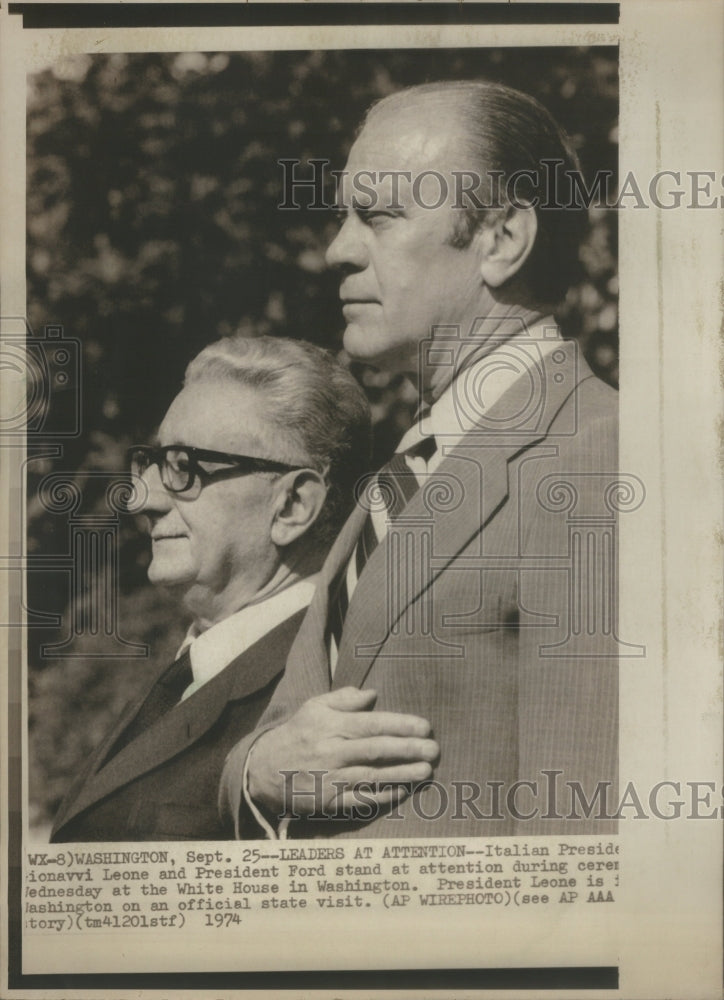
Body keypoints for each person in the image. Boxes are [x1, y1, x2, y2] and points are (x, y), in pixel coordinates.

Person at [219, 80, 620, 839]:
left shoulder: (599, 454)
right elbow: (283, 732)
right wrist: (259, 770)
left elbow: (585, 843)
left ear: (501, 239)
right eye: (344, 216)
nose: (336, 249)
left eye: (378, 216)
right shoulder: (405, 471)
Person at [50, 334, 373, 841]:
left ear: (291, 507)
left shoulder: (325, 687)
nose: (143, 498)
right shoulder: (196, 665)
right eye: (153, 462)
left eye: (184, 466)